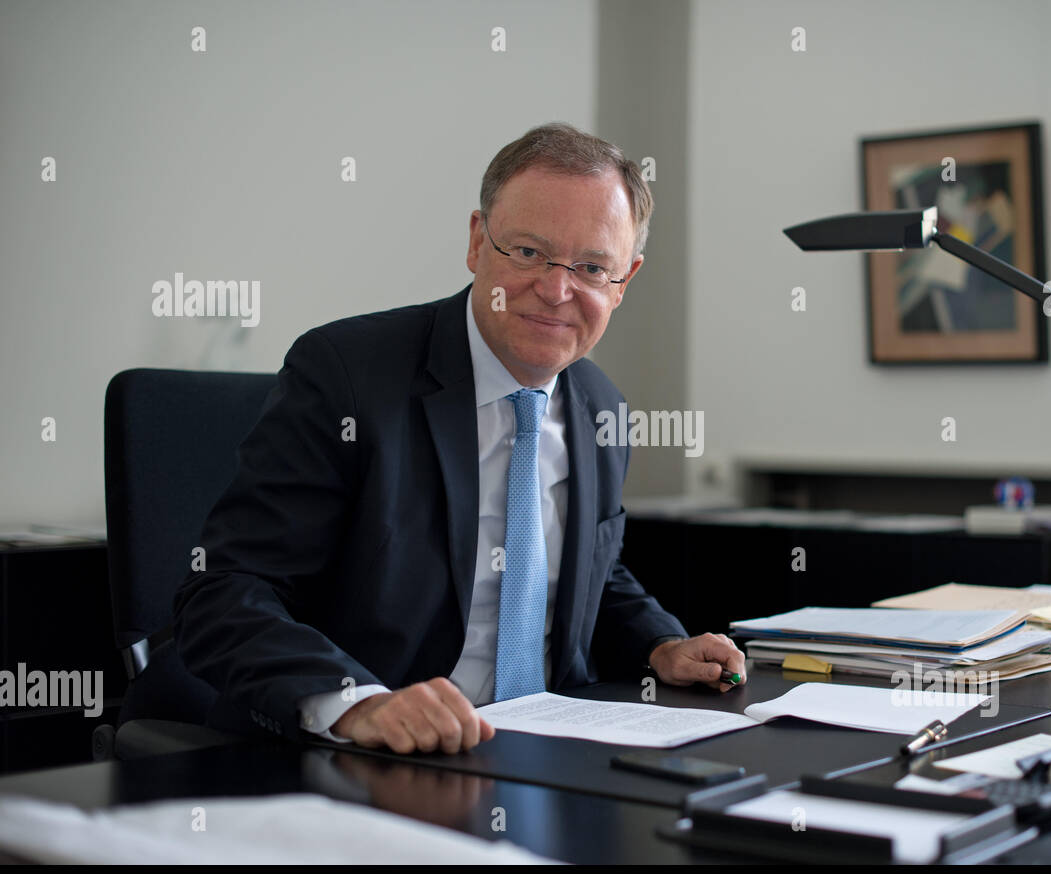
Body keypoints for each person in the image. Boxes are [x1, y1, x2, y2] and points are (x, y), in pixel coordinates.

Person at [173, 122, 745, 756]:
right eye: (528, 252)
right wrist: (357, 705)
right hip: (361, 761)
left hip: (547, 751)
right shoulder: (346, 376)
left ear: (624, 281)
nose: (556, 290)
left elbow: (591, 571)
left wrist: (659, 643)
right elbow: (225, 591)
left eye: (591, 267)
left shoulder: (601, 407)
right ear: (478, 242)